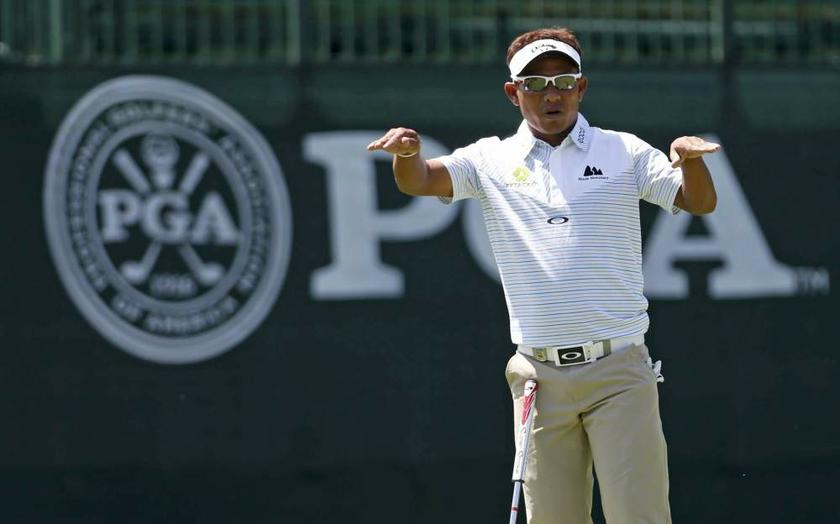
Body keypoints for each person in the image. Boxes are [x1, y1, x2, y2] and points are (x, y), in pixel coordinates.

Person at [367, 27, 719, 524]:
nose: (551, 94)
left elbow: (696, 200)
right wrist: (407, 155)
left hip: (619, 370)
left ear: (582, 88)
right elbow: (422, 180)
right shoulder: (489, 158)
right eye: (534, 84)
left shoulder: (622, 151)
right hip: (538, 378)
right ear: (513, 93)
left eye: (563, 82)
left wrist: (690, 163)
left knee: (638, 517)